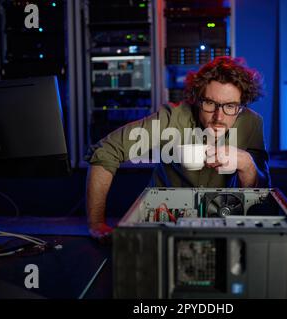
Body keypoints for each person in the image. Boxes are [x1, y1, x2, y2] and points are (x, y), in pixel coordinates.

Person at [85, 56, 271, 242]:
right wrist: (96, 224)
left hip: (221, 218)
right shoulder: (172, 118)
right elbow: (106, 151)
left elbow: (261, 195)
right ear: (198, 100)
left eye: (230, 106)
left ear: (241, 106)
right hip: (162, 218)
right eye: (209, 103)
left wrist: (247, 164)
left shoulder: (252, 123)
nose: (218, 116)